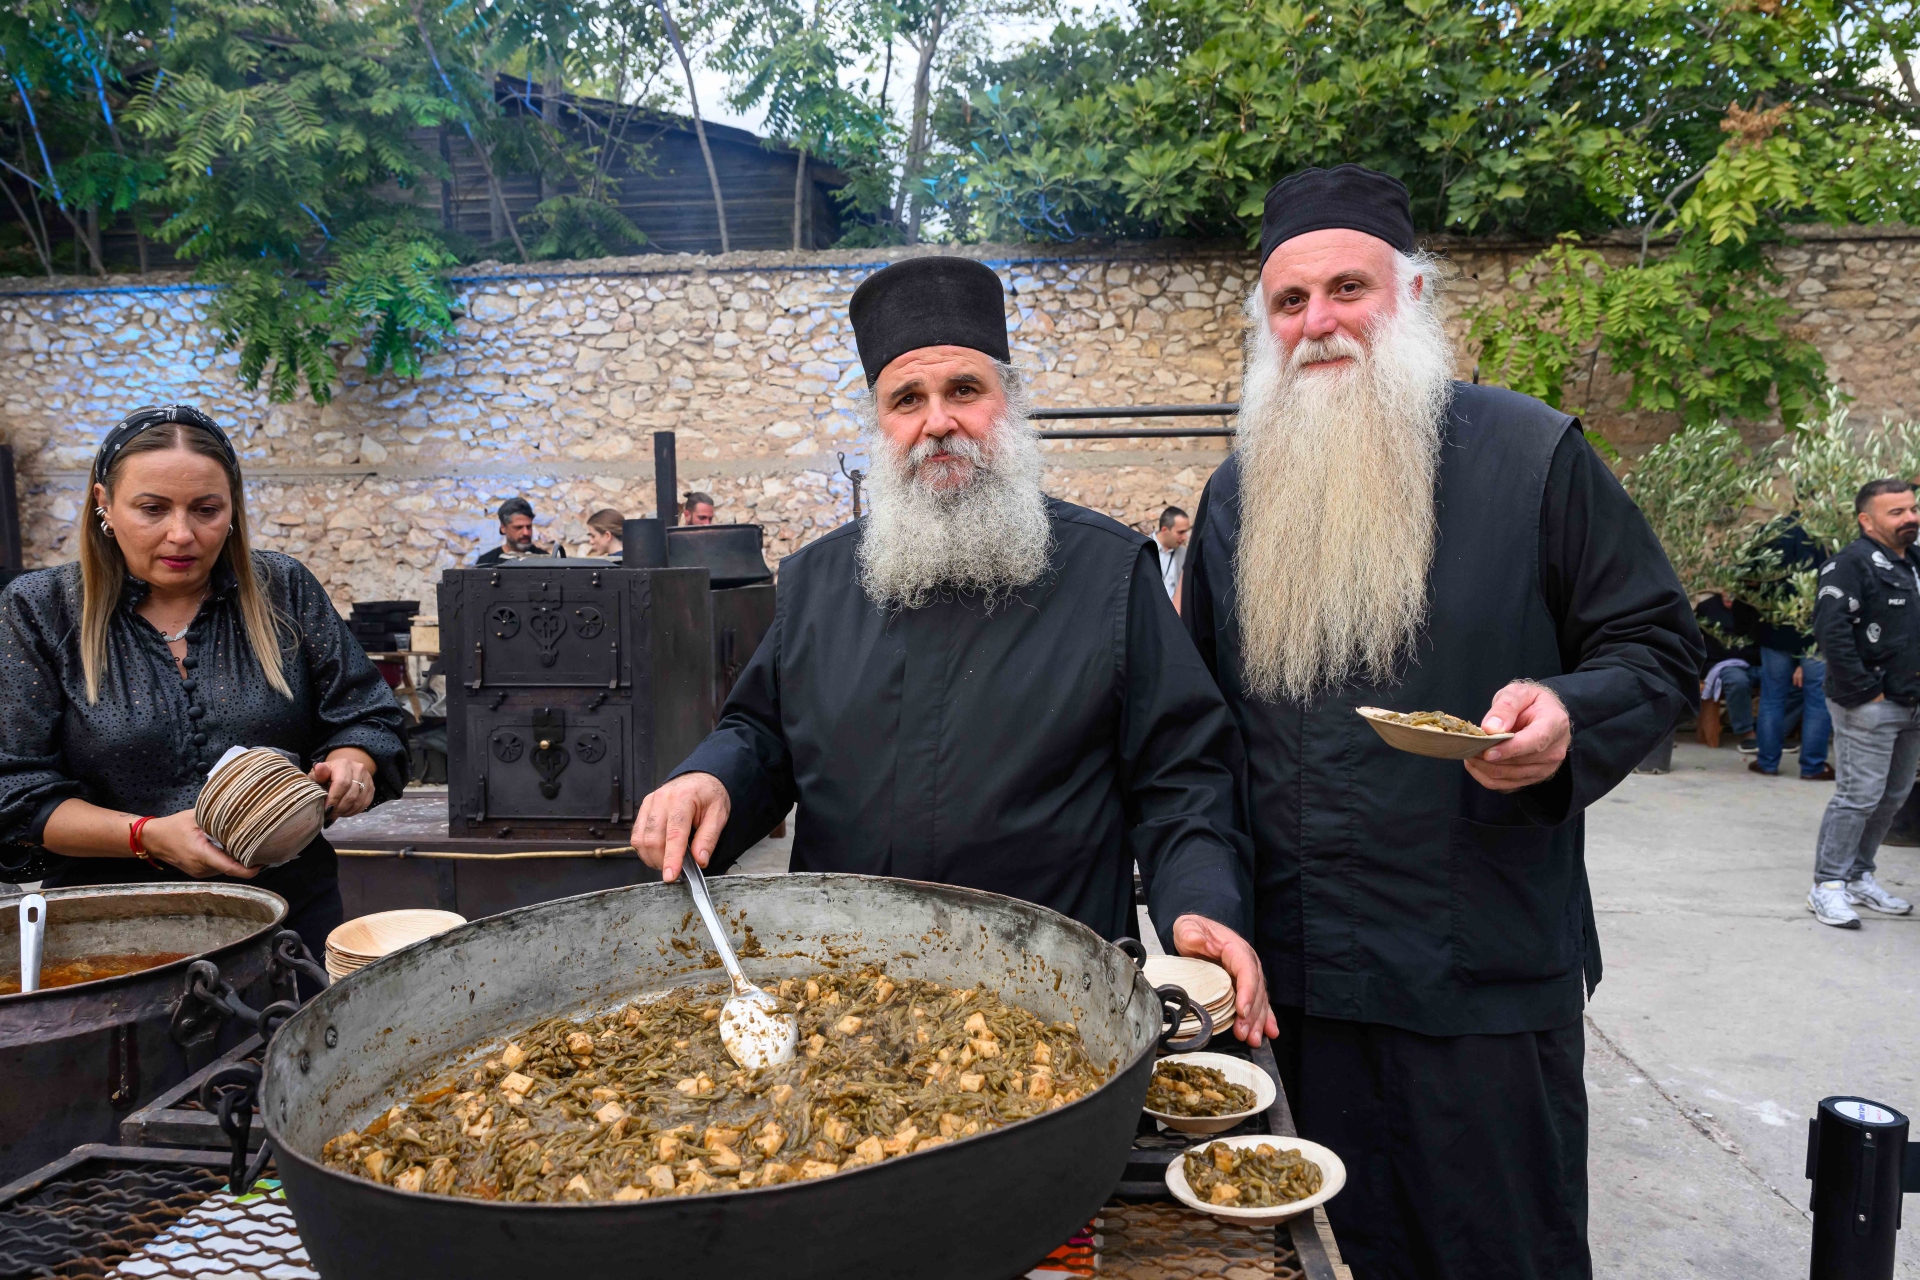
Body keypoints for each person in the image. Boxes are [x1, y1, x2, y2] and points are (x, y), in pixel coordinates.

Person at [1181, 166, 1701, 1280]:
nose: (1318, 321)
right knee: (1306, 1258)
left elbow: (1656, 645)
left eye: (1346, 288)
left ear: (1410, 296)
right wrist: (1208, 907)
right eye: (1289, 301)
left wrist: (1569, 711)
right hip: (1297, 994)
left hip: (1481, 983)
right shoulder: (1233, 500)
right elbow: (1202, 742)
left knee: (1494, 1253)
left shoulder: (1532, 455)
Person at [630, 255, 1274, 1046]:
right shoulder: (820, 581)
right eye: (908, 399)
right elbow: (762, 737)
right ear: (881, 423)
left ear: (1007, 405)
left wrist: (1202, 902)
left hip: (1050, 1013)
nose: (938, 421)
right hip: (843, 1001)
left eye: (963, 390)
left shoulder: (1107, 572)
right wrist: (709, 777)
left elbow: (1183, 780)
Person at [0, 405, 408, 965]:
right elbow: (15, 792)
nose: (182, 534)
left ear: (233, 507)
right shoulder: (40, 611)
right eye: (152, 508)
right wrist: (146, 834)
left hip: (291, 922)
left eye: (207, 509)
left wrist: (354, 761)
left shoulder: (281, 589)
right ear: (104, 505)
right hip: (117, 939)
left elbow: (367, 714)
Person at [1806, 478, 1920, 928]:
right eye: (1896, 512)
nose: (1909, 518)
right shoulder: (1849, 565)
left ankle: (1859, 876)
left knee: (1893, 796)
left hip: (1912, 702)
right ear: (1866, 520)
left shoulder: (1913, 562)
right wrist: (1864, 691)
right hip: (1870, 704)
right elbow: (1831, 630)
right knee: (1858, 797)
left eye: (1912, 509)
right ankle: (1827, 886)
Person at [1751, 519, 1832, 779]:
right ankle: (1812, 767)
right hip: (1815, 631)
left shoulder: (1771, 530)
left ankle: (1767, 762)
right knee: (1818, 701)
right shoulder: (1827, 531)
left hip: (1775, 628)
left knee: (1772, 697)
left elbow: (1749, 578)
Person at [1696, 591, 1761, 750]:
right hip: (1724, 663)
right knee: (1737, 681)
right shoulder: (1707, 607)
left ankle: (1769, 730)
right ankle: (1747, 733)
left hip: (1755, 662)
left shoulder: (1753, 607)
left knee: (1793, 682)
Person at [474, 497, 550, 565]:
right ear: (503, 528)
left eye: (529, 527)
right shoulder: (486, 562)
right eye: (518, 527)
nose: (526, 532)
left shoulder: (545, 561)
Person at [1155, 506, 1190, 609]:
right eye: (1180, 532)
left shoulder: (1185, 554)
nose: (1185, 537)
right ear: (1164, 530)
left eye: (1186, 532)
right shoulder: (1142, 550)